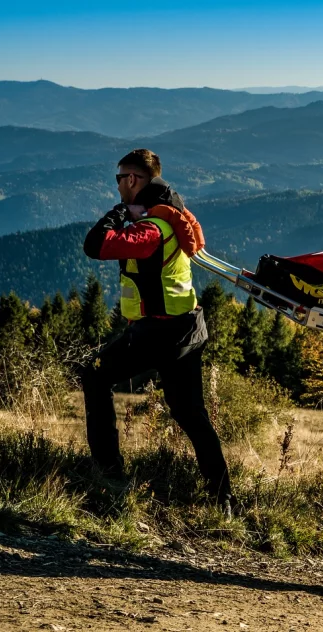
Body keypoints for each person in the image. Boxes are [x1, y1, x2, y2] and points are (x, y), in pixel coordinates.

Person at [81, 148, 233, 513]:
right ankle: (222, 497)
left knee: (95, 376)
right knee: (189, 413)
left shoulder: (151, 227)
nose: (117, 186)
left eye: (119, 179)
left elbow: (96, 245)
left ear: (132, 180)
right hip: (187, 328)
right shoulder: (173, 214)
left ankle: (110, 475)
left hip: (158, 333)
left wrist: (117, 215)